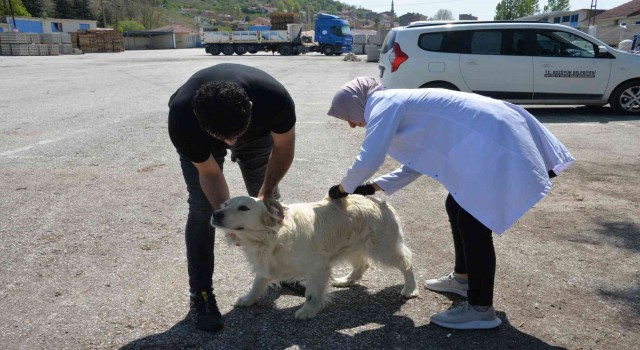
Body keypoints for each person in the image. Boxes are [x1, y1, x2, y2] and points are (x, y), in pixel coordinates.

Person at [326, 77, 575, 330]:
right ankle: (463, 279)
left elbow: (370, 156)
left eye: (346, 115)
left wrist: (342, 188)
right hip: (491, 133)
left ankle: (480, 309)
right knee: (455, 204)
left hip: (497, 137)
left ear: (355, 104)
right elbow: (419, 159)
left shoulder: (382, 103)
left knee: (472, 219)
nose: (351, 124)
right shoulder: (395, 103)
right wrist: (373, 186)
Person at [168, 63, 303, 332]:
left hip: (257, 134)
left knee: (270, 204)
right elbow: (210, 173)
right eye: (224, 138)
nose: (231, 144)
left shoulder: (274, 100)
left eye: (235, 136)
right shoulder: (183, 119)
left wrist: (266, 191)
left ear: (250, 107)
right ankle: (202, 295)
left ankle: (283, 273)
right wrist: (227, 219)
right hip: (203, 137)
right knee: (202, 209)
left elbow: (284, 145)